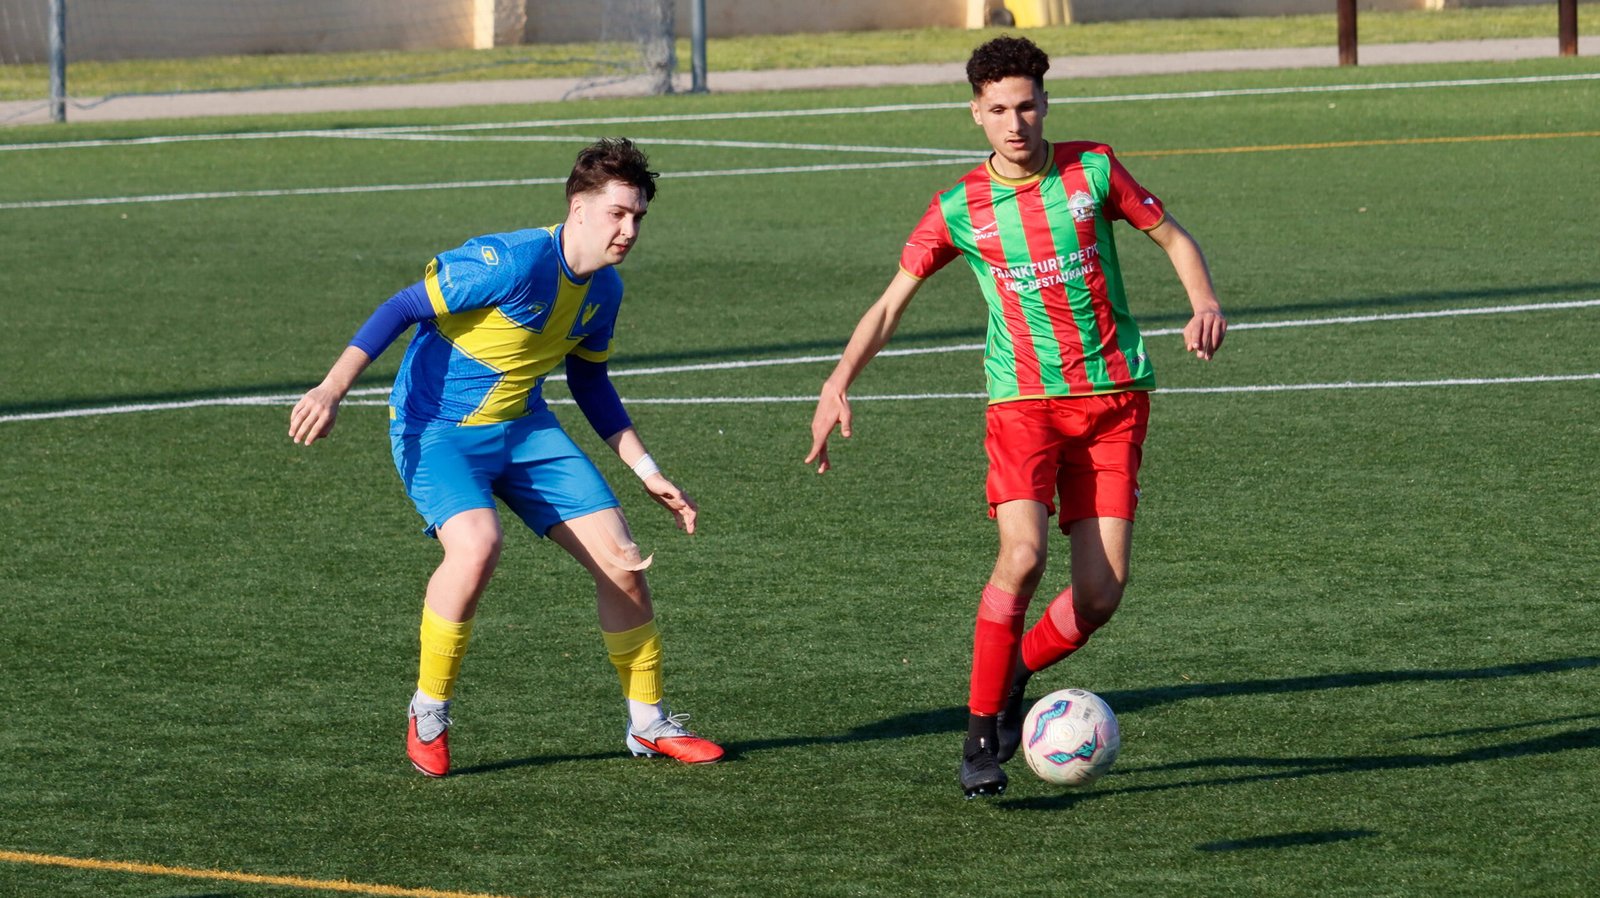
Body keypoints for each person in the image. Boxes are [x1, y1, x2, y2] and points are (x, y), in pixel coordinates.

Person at [805, 36, 1225, 798]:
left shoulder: (1094, 168)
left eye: (1026, 106)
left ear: (1045, 104)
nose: (1015, 123)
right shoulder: (958, 207)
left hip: (1114, 400)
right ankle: (978, 740)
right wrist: (838, 381)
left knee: (1100, 596)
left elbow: (1173, 236)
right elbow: (891, 303)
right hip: (1023, 405)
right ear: (976, 113)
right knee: (1023, 556)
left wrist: (1203, 301)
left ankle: (1014, 670)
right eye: (998, 109)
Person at [289, 138, 723, 777]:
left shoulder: (605, 290)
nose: (629, 230)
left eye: (638, 217)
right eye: (617, 214)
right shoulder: (514, 262)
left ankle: (648, 723)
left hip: (524, 431)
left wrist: (647, 471)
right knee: (477, 545)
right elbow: (402, 306)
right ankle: (429, 709)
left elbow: (590, 382)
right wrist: (331, 389)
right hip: (437, 430)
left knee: (623, 560)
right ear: (578, 208)